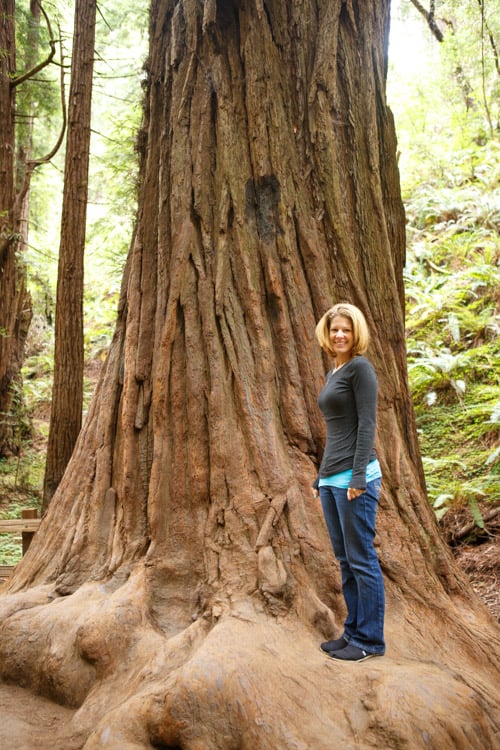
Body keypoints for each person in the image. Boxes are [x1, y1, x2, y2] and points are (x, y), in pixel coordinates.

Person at [313, 302, 385, 662]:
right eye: (334, 329)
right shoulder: (334, 372)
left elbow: (367, 425)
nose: (339, 334)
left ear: (356, 333)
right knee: (344, 559)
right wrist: (321, 478)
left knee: (361, 559)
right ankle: (353, 632)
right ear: (326, 335)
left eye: (346, 329)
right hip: (332, 479)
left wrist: (357, 476)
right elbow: (337, 431)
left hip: (356, 479)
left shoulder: (360, 368)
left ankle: (370, 641)